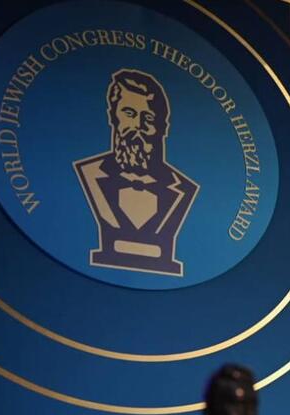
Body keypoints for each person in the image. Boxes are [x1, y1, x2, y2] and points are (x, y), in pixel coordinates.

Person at [74, 68, 198, 275]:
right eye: (129, 113)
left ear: (163, 127)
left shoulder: (184, 188)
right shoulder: (89, 173)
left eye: (148, 117)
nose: (138, 126)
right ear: (113, 116)